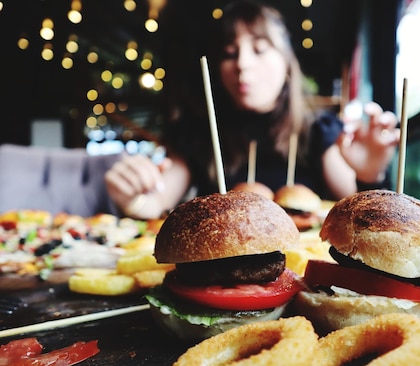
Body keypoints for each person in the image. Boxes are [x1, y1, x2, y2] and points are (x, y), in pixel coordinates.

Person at [105, 0, 400, 219]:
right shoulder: (201, 133)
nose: (242, 64)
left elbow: (363, 213)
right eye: (230, 53)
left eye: (259, 49)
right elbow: (156, 203)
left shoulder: (317, 129)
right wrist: (132, 197)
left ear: (286, 63)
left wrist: (370, 176)